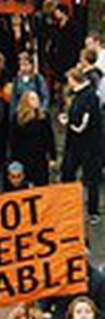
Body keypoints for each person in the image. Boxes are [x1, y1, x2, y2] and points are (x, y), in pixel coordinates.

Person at [60, 66, 102, 224]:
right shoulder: (82, 95)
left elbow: (82, 125)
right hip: (80, 144)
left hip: (88, 145)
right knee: (68, 172)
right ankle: (71, 204)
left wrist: (68, 123)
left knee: (90, 178)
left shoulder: (88, 97)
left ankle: (93, 211)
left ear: (74, 80)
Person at [9, 90, 56, 186]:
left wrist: (52, 156)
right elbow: (13, 140)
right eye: (32, 99)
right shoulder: (18, 118)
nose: (36, 101)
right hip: (24, 157)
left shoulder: (43, 116)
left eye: (37, 98)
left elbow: (49, 137)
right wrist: (13, 159)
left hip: (40, 158)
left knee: (42, 184)